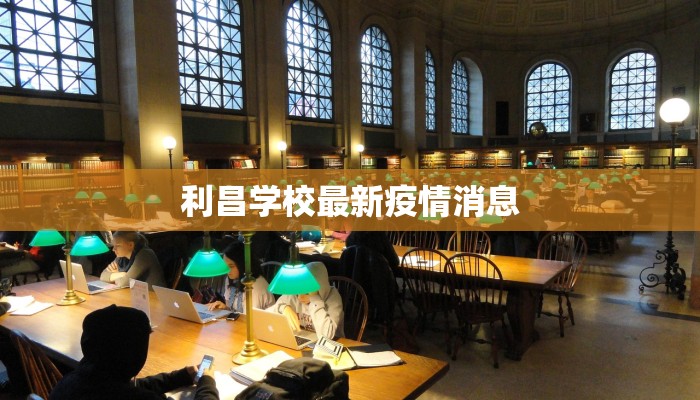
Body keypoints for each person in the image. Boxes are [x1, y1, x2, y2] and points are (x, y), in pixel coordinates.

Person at [49, 305, 218, 400]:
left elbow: (129, 386)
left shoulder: (75, 379)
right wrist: (207, 382)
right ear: (133, 352)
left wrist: (180, 376)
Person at [267, 261, 344, 339]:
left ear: (320, 289)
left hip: (331, 343)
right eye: (299, 290)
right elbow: (266, 315)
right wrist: (283, 308)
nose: (300, 297)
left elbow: (326, 336)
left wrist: (315, 299)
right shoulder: (294, 295)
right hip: (303, 337)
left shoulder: (333, 298)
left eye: (306, 292)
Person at [204, 241, 275, 313]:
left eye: (231, 266)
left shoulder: (256, 286)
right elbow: (233, 311)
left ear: (243, 265)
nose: (227, 270)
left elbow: (250, 318)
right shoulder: (231, 278)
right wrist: (225, 308)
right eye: (225, 266)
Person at [100, 231, 165, 288]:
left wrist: (115, 276)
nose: (113, 249)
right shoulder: (121, 257)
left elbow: (123, 283)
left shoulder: (144, 255)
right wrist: (121, 274)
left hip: (154, 296)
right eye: (114, 246)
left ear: (131, 245)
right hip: (136, 294)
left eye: (118, 245)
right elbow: (102, 276)